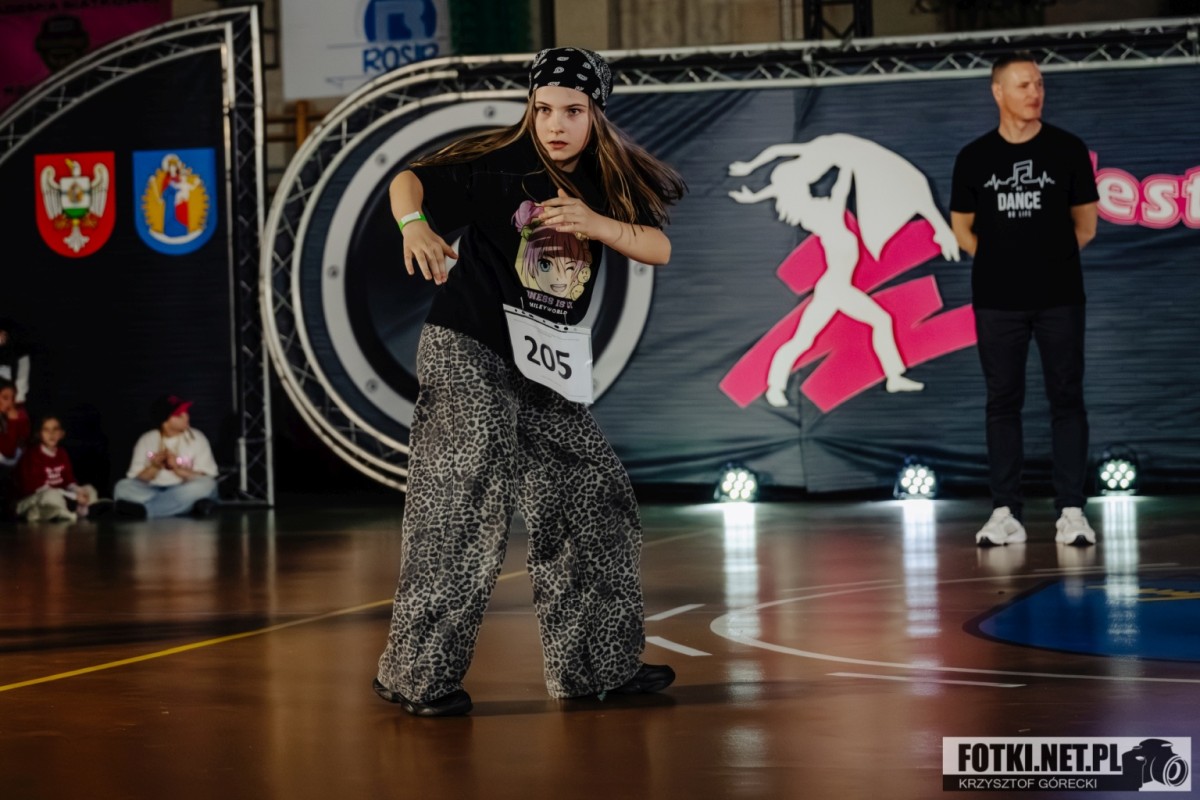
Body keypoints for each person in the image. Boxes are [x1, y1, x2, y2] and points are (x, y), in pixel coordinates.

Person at [373, 46, 686, 717]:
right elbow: (408, 180)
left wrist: (596, 224)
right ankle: (416, 675)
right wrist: (414, 226)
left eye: (572, 110)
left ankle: (595, 666)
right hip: (469, 349)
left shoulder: (604, 179)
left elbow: (657, 246)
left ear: (596, 114)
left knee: (592, 495)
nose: (555, 124)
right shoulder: (502, 165)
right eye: (543, 109)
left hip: (543, 366)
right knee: (463, 504)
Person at [950, 52, 1099, 547]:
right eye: (1023, 85)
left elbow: (1086, 226)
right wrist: (1002, 262)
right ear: (998, 92)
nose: (1035, 93)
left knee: (1067, 397)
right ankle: (1005, 512)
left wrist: (1045, 261)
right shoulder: (974, 158)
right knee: (1002, 401)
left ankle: (1071, 511)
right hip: (997, 300)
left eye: (1038, 84)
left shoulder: (1067, 149)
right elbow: (962, 229)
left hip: (1060, 296)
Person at [728, 134, 961, 407]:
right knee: (860, 326)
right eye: (803, 182)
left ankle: (892, 377)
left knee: (812, 337)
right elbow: (836, 192)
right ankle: (777, 386)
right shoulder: (820, 213)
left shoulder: (817, 210)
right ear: (797, 190)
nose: (810, 182)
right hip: (836, 287)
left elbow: (796, 184)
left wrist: (755, 193)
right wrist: (849, 162)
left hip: (835, 288)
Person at [113, 394, 219, 519]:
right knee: (122, 486)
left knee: (208, 485)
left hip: (182, 488)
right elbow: (136, 478)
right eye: (180, 415)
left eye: (186, 412)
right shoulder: (147, 439)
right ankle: (180, 507)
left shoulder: (197, 438)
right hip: (153, 489)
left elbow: (206, 476)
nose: (186, 417)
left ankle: (146, 510)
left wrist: (177, 469)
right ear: (165, 422)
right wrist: (154, 467)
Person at [16, 414, 99, 523]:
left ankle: (81, 510)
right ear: (39, 434)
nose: (51, 434)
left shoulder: (62, 453)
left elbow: (69, 480)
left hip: (60, 497)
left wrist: (78, 491)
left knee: (89, 489)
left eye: (55, 429)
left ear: (62, 433)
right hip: (31, 499)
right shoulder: (33, 455)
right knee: (52, 496)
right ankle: (58, 512)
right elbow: (39, 488)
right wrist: (73, 496)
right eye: (46, 430)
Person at [0, 379, 31, 518]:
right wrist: (13, 423)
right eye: (5, 398)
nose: (10, 403)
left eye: (12, 398)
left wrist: (18, 420)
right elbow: (7, 451)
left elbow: (24, 440)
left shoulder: (14, 414)